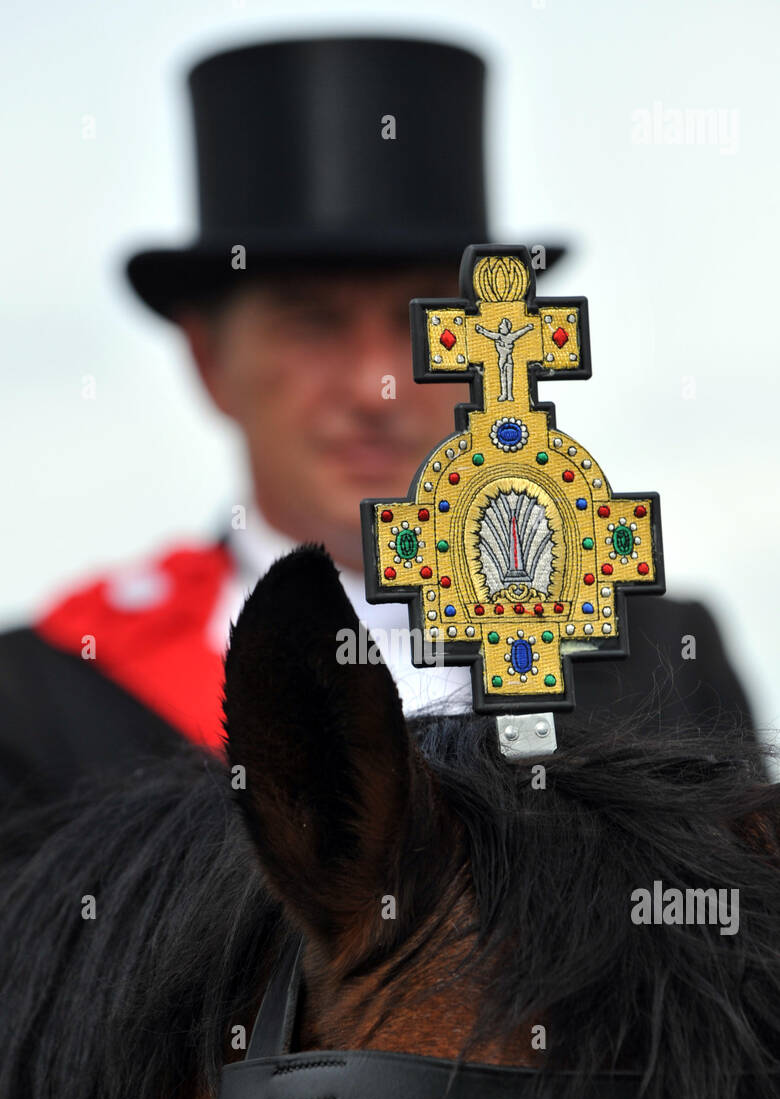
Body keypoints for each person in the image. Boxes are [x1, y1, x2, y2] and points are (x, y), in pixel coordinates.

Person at [0, 36, 753, 806]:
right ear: (209, 360)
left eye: (419, 320)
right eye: (312, 323)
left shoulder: (664, 663)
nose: (376, 387)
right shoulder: (48, 700)